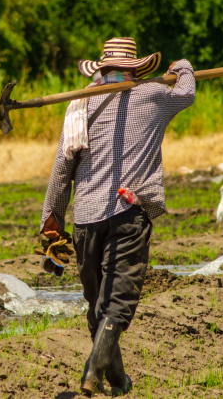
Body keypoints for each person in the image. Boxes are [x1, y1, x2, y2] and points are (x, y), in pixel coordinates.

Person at [39, 37, 196, 396]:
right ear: (134, 68)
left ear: (102, 70)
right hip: (129, 212)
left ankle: (117, 381)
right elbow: (186, 93)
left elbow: (63, 169)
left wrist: (52, 221)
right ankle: (94, 372)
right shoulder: (153, 94)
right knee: (118, 301)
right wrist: (182, 66)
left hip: (87, 217)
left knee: (99, 304)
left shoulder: (79, 106)